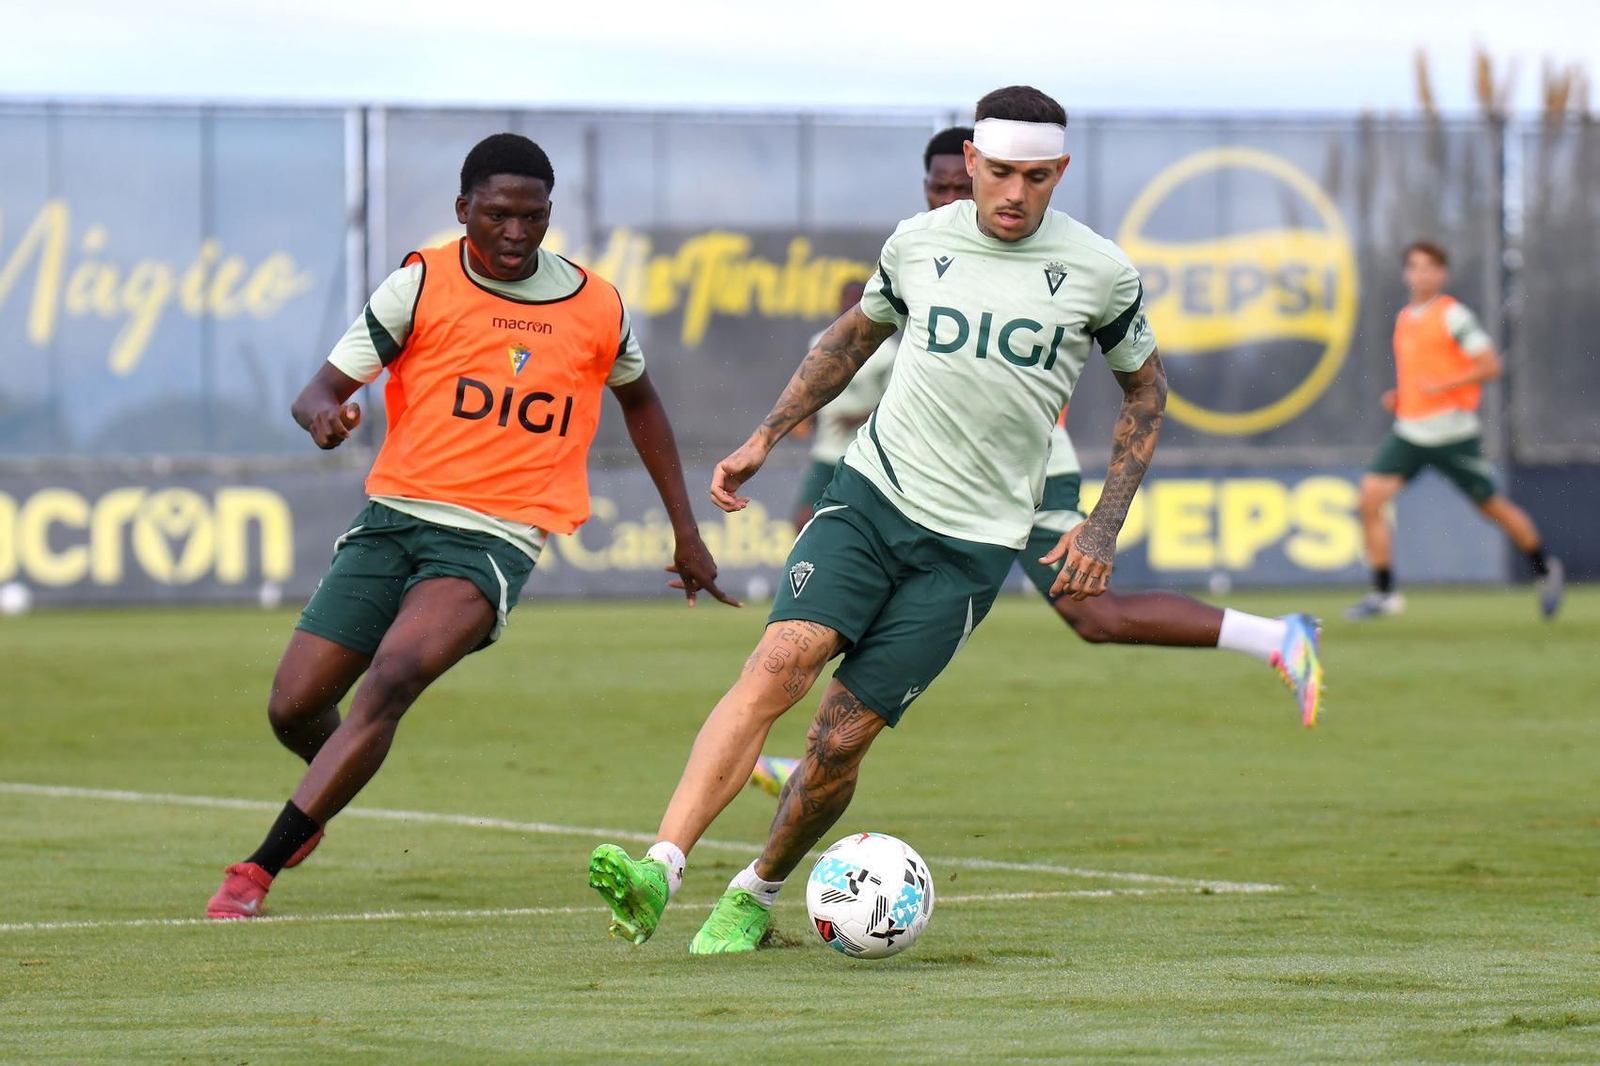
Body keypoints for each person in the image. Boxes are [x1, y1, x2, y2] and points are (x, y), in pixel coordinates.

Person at [589, 86, 1169, 954]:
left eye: (1036, 177)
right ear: (969, 162)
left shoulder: (1099, 271)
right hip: (871, 498)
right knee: (779, 663)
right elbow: (849, 341)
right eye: (1000, 172)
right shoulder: (918, 242)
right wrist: (764, 436)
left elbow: (1146, 392)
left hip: (971, 549)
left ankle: (756, 890)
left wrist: (1101, 525)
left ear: (1062, 173)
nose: (1014, 194)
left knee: (835, 741)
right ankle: (659, 869)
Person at [205, 133, 735, 919]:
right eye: (497, 215)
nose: (516, 233)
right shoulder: (420, 283)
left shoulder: (596, 303)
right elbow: (317, 390)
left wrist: (686, 531)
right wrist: (327, 420)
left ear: (550, 214)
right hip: (393, 519)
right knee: (293, 706)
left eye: (533, 217)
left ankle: (254, 872)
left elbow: (642, 400)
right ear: (463, 211)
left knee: (391, 680)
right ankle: (330, 785)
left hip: (498, 535)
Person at [755, 126, 1321, 802]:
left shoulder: (1044, 256)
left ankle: (1278, 636)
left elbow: (1126, 383)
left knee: (1093, 615)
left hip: (1017, 475)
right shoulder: (927, 247)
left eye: (959, 186)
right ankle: (818, 752)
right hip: (938, 473)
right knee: (1064, 617)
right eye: (937, 186)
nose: (949, 196)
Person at [1347, 240, 1563, 621]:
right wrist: (1401, 397)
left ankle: (1545, 570)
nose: (1421, 274)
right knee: (1369, 500)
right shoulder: (1405, 318)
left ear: (1442, 274)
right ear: (1406, 273)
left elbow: (1490, 366)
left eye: (1429, 267)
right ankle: (1384, 593)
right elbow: (1420, 375)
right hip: (1411, 432)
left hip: (1453, 435)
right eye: (1414, 266)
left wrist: (1446, 385)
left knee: (1493, 508)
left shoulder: (1454, 316)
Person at [790, 279, 898, 529]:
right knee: (803, 521)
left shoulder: (885, 352)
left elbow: (896, 402)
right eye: (845, 298)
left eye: (856, 299)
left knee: (863, 526)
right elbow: (814, 391)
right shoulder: (820, 343)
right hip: (826, 451)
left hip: (865, 453)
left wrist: (859, 417)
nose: (849, 304)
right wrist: (806, 418)